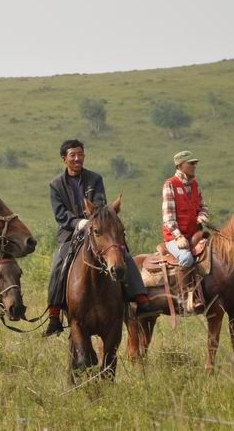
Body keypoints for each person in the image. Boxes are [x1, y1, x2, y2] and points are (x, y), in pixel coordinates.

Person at [43, 139, 159, 337]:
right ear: (64, 159)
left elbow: (100, 204)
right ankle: (54, 315)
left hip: (98, 228)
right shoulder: (55, 185)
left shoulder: (95, 179)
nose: (77, 158)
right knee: (58, 264)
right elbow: (60, 214)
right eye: (73, 155)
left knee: (122, 253)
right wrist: (77, 223)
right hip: (70, 233)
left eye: (80, 154)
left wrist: (91, 220)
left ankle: (141, 299)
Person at [161, 150, 210, 313]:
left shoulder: (195, 184)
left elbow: (203, 207)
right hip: (175, 237)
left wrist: (202, 216)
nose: (194, 166)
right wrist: (178, 236)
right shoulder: (170, 184)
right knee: (186, 258)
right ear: (180, 165)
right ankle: (183, 299)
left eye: (194, 163)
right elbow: (168, 217)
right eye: (191, 163)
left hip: (195, 234)